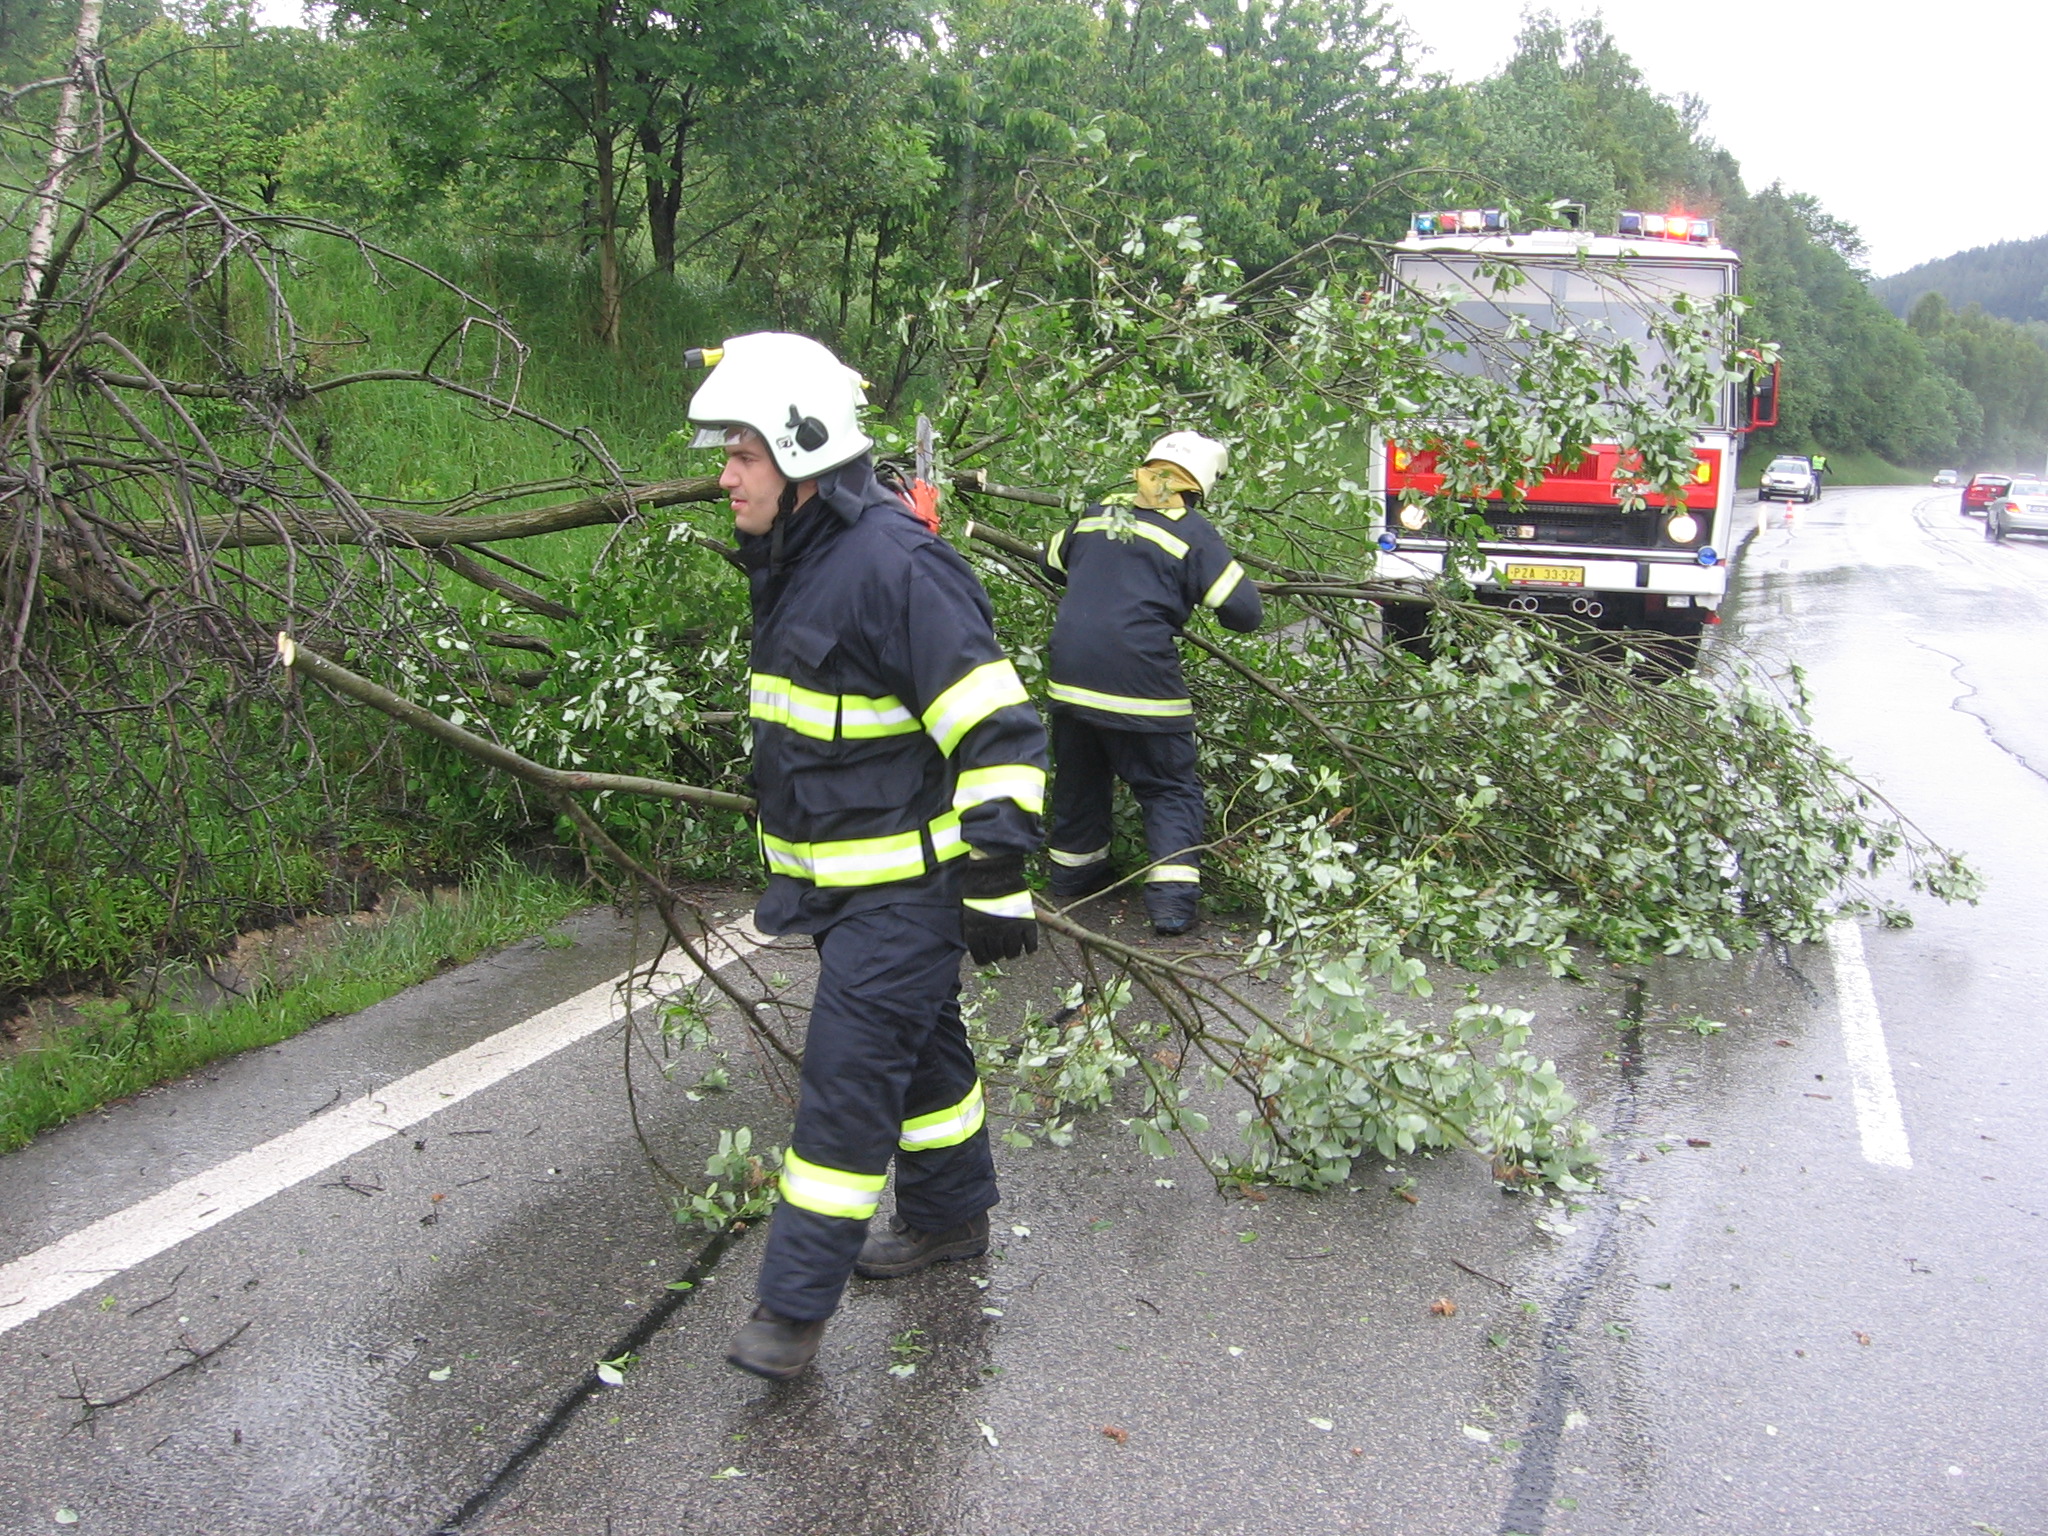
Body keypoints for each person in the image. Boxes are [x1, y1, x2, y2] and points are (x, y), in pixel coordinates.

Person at [688, 333, 1048, 1381]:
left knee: (845, 1089)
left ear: (800, 452)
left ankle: (788, 1316)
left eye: (741, 451)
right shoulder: (802, 562)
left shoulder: (891, 567)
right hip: (844, 888)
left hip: (906, 891)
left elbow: (997, 727)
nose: (723, 473)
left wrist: (993, 877)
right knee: (922, 1053)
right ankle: (947, 1215)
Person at [1039, 432, 1262, 936]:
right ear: (1199, 485)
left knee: (1081, 778)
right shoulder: (1191, 532)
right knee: (1169, 788)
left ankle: (1074, 879)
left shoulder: (1098, 513)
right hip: (1139, 683)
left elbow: (1050, 562)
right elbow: (1245, 613)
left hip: (1070, 681)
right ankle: (1171, 904)